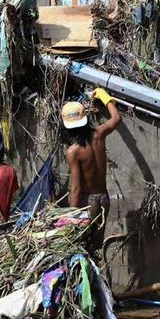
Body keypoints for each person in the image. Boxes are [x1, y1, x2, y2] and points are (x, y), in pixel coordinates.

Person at [62, 87, 121, 257]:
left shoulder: (73, 151)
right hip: (104, 198)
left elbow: (76, 187)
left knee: (80, 248)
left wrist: (71, 217)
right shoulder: (98, 134)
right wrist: (105, 97)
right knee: (95, 249)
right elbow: (116, 118)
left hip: (88, 202)